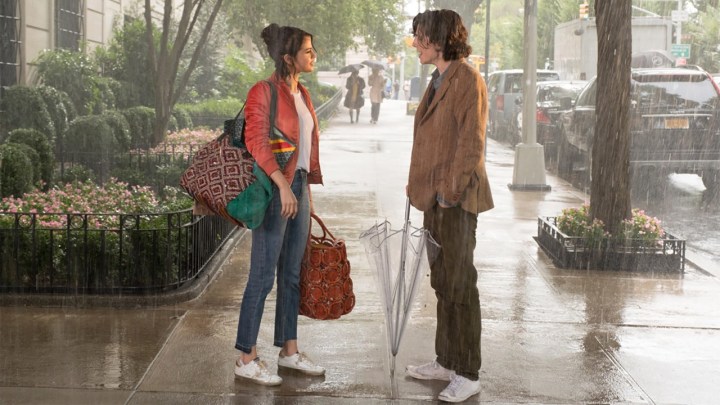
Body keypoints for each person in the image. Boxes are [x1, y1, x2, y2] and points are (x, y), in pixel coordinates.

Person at [405, 9, 494, 403]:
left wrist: (449, 192)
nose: (415, 44)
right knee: (442, 282)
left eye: (420, 37)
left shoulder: (466, 79)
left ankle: (468, 371)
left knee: (460, 284)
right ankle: (446, 361)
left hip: (454, 200)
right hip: (434, 198)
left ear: (440, 40)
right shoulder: (438, 79)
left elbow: (471, 143)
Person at [234, 23, 324, 386]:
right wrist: (284, 185)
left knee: (290, 275)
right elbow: (256, 141)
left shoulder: (302, 93)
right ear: (288, 57)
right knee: (262, 276)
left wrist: (306, 193)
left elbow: (305, 149)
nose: (314, 56)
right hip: (275, 190)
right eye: (307, 51)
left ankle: (289, 352)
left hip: (297, 187)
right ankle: (246, 356)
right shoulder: (263, 91)